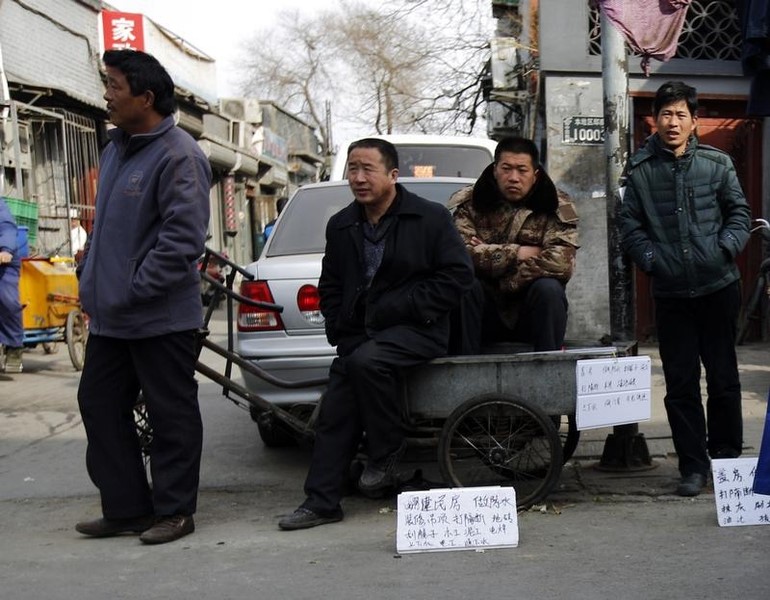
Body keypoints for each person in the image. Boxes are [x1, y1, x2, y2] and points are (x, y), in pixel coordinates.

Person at [278, 138, 475, 530]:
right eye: (353, 169)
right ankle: (321, 502)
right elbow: (330, 284)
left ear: (393, 175)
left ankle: (386, 452)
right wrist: (338, 327)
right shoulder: (342, 224)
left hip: (420, 330)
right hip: (361, 337)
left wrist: (403, 307)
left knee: (366, 362)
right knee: (336, 406)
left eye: (368, 169)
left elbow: (457, 277)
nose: (359, 178)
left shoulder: (429, 218)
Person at [74, 49, 212, 544]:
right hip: (112, 317)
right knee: (98, 403)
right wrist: (89, 271)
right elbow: (105, 227)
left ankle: (175, 510)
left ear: (145, 96)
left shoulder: (180, 155)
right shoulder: (115, 150)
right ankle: (128, 507)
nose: (106, 95)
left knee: (169, 412)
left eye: (113, 85)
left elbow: (182, 241)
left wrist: (133, 289)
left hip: (160, 318)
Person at [618, 81, 751, 497]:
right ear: (654, 119)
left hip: (718, 286)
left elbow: (739, 213)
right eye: (665, 114)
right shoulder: (639, 171)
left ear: (694, 121)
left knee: (725, 379)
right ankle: (693, 468)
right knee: (680, 384)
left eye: (680, 114)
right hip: (672, 295)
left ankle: (727, 462)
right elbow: (630, 228)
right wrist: (653, 261)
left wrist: (725, 249)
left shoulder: (717, 163)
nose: (672, 122)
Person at [450, 136, 579, 352]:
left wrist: (493, 265)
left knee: (549, 289)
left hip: (530, 311)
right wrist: (518, 252)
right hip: (484, 311)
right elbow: (460, 258)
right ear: (494, 170)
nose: (513, 178)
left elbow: (561, 264)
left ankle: (548, 371)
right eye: (506, 169)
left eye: (522, 170)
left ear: (535, 175)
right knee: (465, 286)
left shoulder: (557, 205)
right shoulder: (470, 204)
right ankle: (464, 371)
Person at [0, 198, 24, 374]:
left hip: (4, 260)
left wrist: (6, 250)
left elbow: (7, 227)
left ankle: (14, 347)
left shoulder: (0, 206)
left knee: (7, 300)